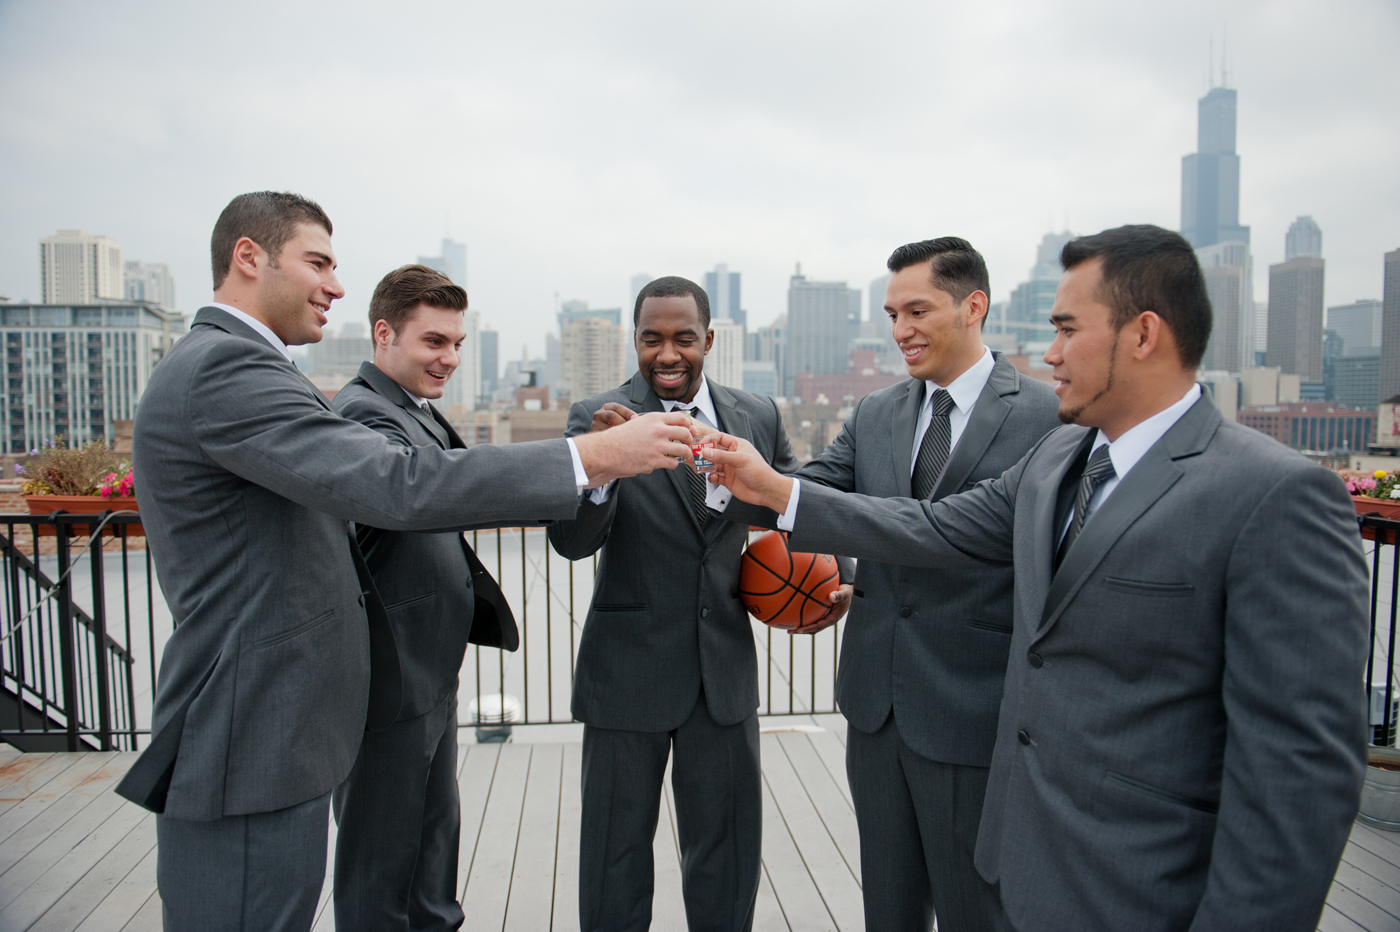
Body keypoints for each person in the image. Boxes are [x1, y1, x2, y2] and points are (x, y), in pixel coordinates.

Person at [704, 225, 1369, 932]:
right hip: (1021, 836)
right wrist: (763, 484)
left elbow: (1300, 775)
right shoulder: (1059, 462)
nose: (1048, 352)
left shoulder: (1276, 495)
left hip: (1146, 873)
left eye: (1067, 329)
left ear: (1143, 335)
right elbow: (934, 529)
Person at [114, 192, 694, 932]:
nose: (336, 285)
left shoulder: (248, 368)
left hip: (282, 725)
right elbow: (400, 485)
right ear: (249, 257)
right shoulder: (227, 367)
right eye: (317, 261)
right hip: (253, 731)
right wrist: (592, 456)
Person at [725, 238, 1059, 932]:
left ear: (975, 307)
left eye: (916, 310)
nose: (899, 329)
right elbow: (816, 494)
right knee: (889, 906)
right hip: (876, 704)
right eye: (890, 313)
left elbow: (941, 528)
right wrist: (707, 461)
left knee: (977, 909)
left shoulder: (1045, 417)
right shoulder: (878, 411)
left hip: (973, 706)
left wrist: (780, 490)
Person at [547, 276, 826, 932]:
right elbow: (569, 542)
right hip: (626, 676)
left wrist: (827, 586)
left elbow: (795, 515)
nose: (666, 354)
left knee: (726, 859)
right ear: (635, 341)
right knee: (614, 862)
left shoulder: (757, 413)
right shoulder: (598, 415)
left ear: (708, 340)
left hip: (721, 677)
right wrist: (601, 469)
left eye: (682, 338)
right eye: (651, 339)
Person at [329, 264, 524, 930]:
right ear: (383, 333)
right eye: (433, 341)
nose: (449, 358)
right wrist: (580, 459)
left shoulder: (415, 411)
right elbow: (424, 486)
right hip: (388, 687)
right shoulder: (361, 413)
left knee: (431, 853)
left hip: (428, 677)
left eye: (457, 344)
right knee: (381, 864)